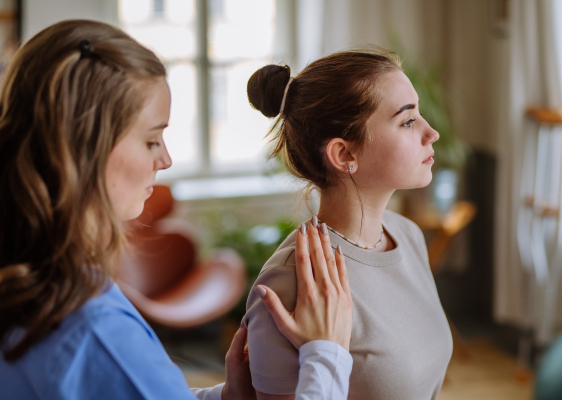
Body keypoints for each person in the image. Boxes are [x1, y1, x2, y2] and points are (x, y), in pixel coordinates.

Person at [0, 19, 354, 400]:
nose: (165, 159)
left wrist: (223, 396)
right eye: (152, 140)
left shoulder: (42, 282)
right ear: (85, 148)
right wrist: (327, 355)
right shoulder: (90, 327)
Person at [244, 48, 453, 400]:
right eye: (407, 121)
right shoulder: (292, 280)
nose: (430, 133)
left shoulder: (407, 235)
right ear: (344, 155)